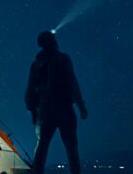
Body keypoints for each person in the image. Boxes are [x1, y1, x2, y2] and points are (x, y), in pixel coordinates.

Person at [25, 31, 88, 174]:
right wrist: (81, 106)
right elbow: (73, 83)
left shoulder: (36, 64)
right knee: (71, 148)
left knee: (42, 146)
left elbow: (30, 91)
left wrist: (33, 111)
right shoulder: (63, 59)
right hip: (64, 108)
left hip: (45, 110)